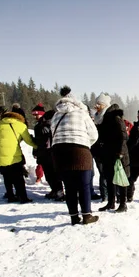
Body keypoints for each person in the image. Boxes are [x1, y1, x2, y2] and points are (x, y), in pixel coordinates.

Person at [51, 86, 99, 225]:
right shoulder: (81, 113)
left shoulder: (55, 115)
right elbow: (94, 134)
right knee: (84, 185)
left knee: (69, 186)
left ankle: (73, 217)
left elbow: (53, 134)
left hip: (60, 153)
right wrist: (85, 143)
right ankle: (86, 215)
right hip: (80, 152)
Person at [0, 108, 36, 203]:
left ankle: (10, 196)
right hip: (13, 154)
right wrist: (37, 146)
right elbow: (28, 140)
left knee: (7, 177)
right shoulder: (20, 125)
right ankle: (23, 197)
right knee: (18, 177)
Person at [97, 103, 130, 213]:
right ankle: (111, 203)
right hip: (109, 153)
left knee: (120, 178)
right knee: (110, 178)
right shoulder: (105, 118)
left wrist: (120, 152)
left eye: (99, 104)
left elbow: (123, 135)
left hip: (118, 155)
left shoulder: (115, 118)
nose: (96, 106)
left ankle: (123, 204)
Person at [32, 107, 64, 200]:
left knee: (53, 174)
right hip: (46, 153)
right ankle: (55, 191)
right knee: (49, 174)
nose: (35, 116)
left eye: (37, 114)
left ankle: (58, 192)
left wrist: (34, 142)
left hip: (48, 153)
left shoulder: (45, 125)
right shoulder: (42, 125)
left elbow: (42, 140)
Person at [90, 93, 111, 202]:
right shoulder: (97, 116)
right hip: (98, 150)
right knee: (103, 172)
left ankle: (108, 194)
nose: (96, 106)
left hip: (106, 149)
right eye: (96, 103)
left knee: (106, 172)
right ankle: (105, 195)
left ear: (104, 104)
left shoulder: (107, 116)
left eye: (99, 104)